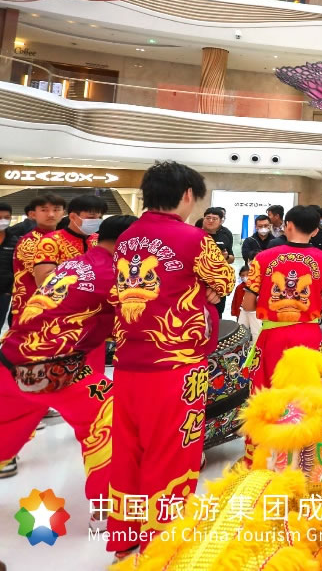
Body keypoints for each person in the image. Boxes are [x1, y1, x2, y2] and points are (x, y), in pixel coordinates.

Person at [107, 162, 234, 556]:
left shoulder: (126, 237)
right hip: (176, 365)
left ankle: (125, 534)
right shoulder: (195, 239)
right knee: (172, 450)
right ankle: (164, 542)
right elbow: (225, 280)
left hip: (127, 363)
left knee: (128, 449)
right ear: (187, 195)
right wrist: (210, 290)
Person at [0, 214, 135, 501]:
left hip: (11, 356)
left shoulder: (75, 264)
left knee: (11, 419)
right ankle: (109, 507)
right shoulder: (115, 276)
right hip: (51, 369)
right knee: (111, 414)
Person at [241, 205, 322, 390]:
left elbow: (247, 305)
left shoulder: (262, 258)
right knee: (306, 391)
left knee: (270, 391)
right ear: (315, 231)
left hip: (273, 335)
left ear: (288, 226)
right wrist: (313, 297)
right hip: (309, 335)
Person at [25, 193, 102, 294]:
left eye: (99, 218)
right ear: (73, 217)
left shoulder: (100, 240)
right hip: (63, 299)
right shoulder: (50, 241)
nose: (96, 221)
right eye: (91, 218)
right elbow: (44, 281)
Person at [10, 192, 68, 320]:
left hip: (57, 305)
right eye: (44, 210)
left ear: (63, 213)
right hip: (32, 306)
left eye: (56, 210)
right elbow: (44, 278)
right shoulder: (29, 241)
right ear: (32, 214)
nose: (51, 214)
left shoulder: (63, 238)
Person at [0, 202, 16, 326]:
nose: (3, 221)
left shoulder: (14, 240)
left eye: (6, 217)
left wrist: (9, 290)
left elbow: (16, 267)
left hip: (3, 292)